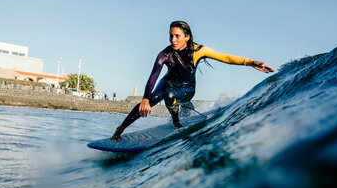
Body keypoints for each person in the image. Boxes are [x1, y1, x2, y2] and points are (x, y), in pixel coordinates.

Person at [111, 20, 274, 141]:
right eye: (171, 36)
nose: (173, 40)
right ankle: (120, 129)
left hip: (187, 88)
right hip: (168, 83)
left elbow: (225, 57)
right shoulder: (164, 55)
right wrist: (145, 99)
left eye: (177, 36)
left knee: (170, 96)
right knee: (153, 98)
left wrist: (250, 62)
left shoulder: (198, 50)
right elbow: (153, 76)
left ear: (187, 37)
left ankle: (176, 123)